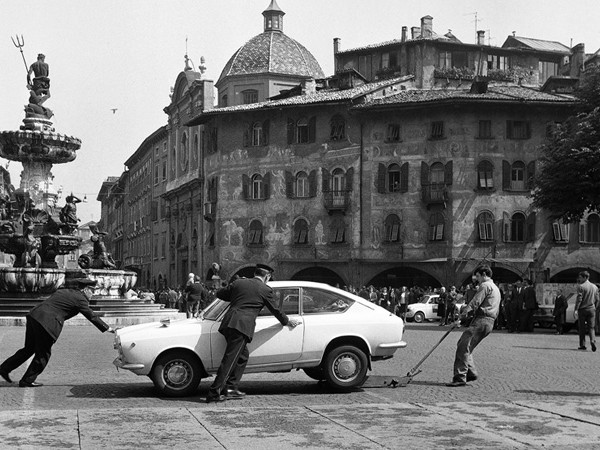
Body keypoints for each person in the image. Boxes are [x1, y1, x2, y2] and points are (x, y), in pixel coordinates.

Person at [205, 263, 301, 403]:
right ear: (267, 276)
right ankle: (214, 393)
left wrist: (236, 289)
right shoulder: (264, 289)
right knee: (230, 360)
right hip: (241, 326)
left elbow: (220, 294)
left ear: (255, 273)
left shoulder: (239, 283)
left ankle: (231, 389)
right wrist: (287, 322)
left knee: (242, 356)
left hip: (229, 323)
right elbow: (276, 310)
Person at [0, 278, 116, 387]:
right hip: (46, 323)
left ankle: (4, 368)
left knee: (29, 349)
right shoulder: (81, 299)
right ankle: (27, 380)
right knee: (43, 354)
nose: (92, 294)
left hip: (34, 316)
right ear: (85, 289)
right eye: (92, 291)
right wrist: (108, 328)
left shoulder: (64, 291)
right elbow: (92, 316)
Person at [447, 265, 500, 387]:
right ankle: (470, 372)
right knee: (466, 346)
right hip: (490, 322)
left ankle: (460, 377)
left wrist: (460, 317)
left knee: (463, 346)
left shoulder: (485, 285)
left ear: (484, 275)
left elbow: (475, 302)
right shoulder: (495, 287)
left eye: (478, 276)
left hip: (482, 320)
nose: (476, 279)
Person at [574, 271, 598, 351]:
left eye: (580, 277)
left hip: (583, 309)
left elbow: (579, 299)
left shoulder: (581, 287)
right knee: (591, 327)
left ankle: (582, 345)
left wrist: (576, 309)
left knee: (582, 328)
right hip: (591, 309)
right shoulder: (595, 287)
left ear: (585, 277)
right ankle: (592, 340)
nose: (579, 279)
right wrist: (595, 307)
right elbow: (597, 299)